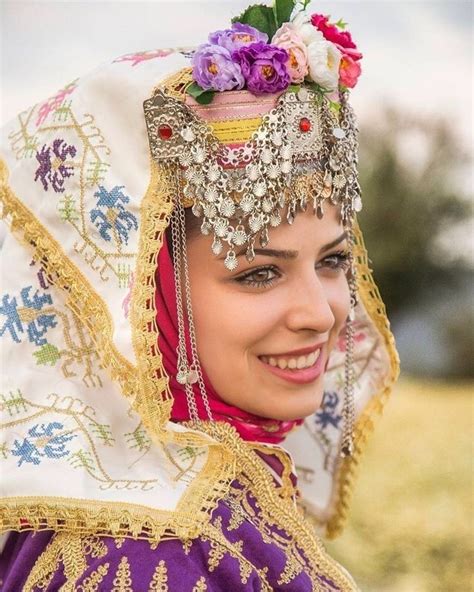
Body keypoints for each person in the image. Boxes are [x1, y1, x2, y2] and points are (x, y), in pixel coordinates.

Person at [0, 3, 399, 590]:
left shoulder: (202, 489)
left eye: (333, 261)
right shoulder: (146, 556)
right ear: (139, 296)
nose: (321, 314)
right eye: (259, 274)